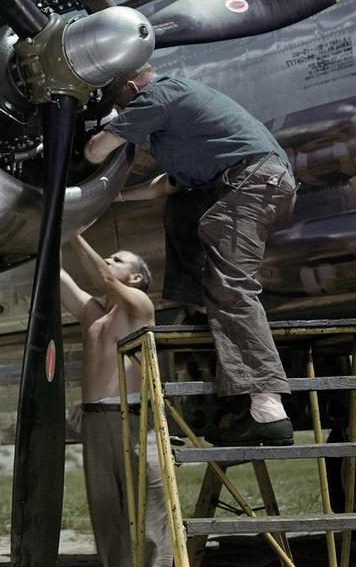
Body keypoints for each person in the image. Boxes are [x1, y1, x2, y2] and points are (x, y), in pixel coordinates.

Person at [85, 64, 298, 445]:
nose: (124, 110)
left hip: (253, 183)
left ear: (131, 87)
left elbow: (95, 150)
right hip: (247, 182)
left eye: (122, 103)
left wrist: (90, 145)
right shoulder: (181, 119)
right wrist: (114, 197)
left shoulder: (157, 95)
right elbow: (164, 186)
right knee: (182, 206)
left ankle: (269, 409)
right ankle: (198, 305)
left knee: (231, 288)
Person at [61, 234, 171, 567]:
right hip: (95, 421)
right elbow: (57, 279)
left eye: (117, 259)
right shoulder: (94, 314)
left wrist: (73, 233)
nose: (108, 261)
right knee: (106, 514)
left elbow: (104, 279)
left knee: (148, 513)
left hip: (132, 417)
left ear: (136, 278)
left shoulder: (139, 305)